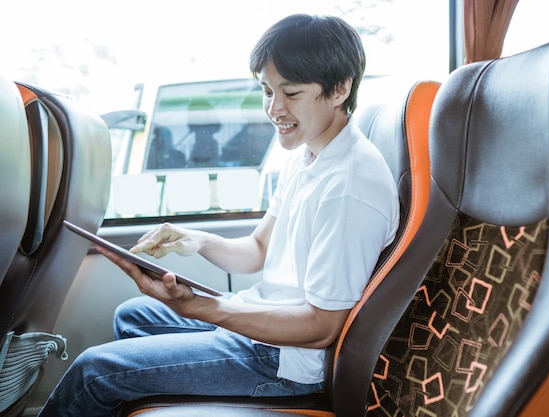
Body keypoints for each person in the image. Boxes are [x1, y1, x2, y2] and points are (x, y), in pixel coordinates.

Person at [38, 13, 399, 417]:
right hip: (265, 319)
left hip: (283, 362)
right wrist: (197, 241)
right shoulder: (309, 156)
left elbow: (321, 326)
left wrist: (203, 308)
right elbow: (258, 249)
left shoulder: (350, 186)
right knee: (133, 314)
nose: (274, 109)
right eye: (266, 91)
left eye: (291, 93)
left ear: (340, 89)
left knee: (93, 372)